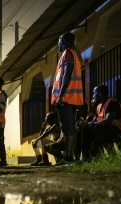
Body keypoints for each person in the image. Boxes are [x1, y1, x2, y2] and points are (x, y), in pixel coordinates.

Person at [51, 32, 84, 165]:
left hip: (66, 99)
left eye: (59, 41)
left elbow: (67, 75)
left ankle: (69, 158)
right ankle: (69, 157)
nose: (58, 44)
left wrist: (60, 97)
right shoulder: (68, 55)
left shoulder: (68, 53)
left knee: (69, 128)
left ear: (64, 42)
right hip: (68, 98)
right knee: (67, 128)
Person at [77, 84, 121, 160]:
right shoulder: (99, 106)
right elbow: (94, 121)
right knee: (86, 130)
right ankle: (87, 158)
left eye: (94, 94)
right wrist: (85, 125)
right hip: (109, 130)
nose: (93, 96)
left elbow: (108, 121)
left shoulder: (112, 103)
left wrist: (90, 124)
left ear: (100, 94)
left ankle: (98, 156)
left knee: (98, 128)